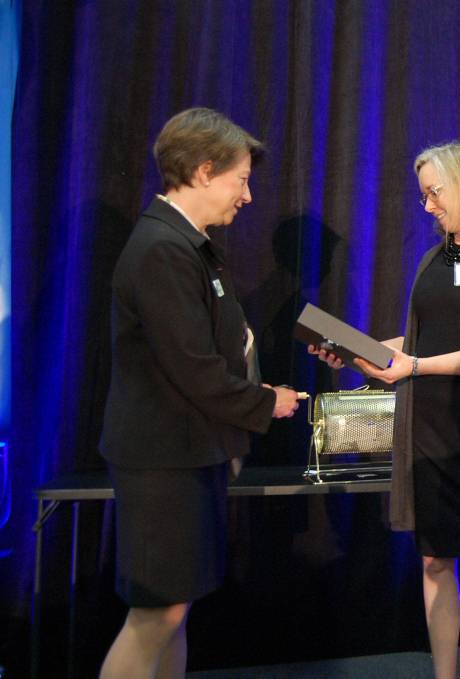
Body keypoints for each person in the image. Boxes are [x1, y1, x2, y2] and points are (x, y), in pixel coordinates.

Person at [312, 142, 460, 679]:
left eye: (434, 193)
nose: (427, 206)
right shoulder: (434, 258)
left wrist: (414, 367)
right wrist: (359, 351)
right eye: (423, 195)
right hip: (428, 426)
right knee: (434, 559)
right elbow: (419, 341)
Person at [98, 108, 301, 678]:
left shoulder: (186, 245)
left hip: (188, 455)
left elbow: (203, 357)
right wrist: (267, 402)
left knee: (175, 611)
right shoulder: (162, 249)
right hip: (162, 460)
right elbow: (194, 370)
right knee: (156, 615)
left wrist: (250, 390)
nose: (248, 196)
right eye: (241, 180)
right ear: (205, 171)